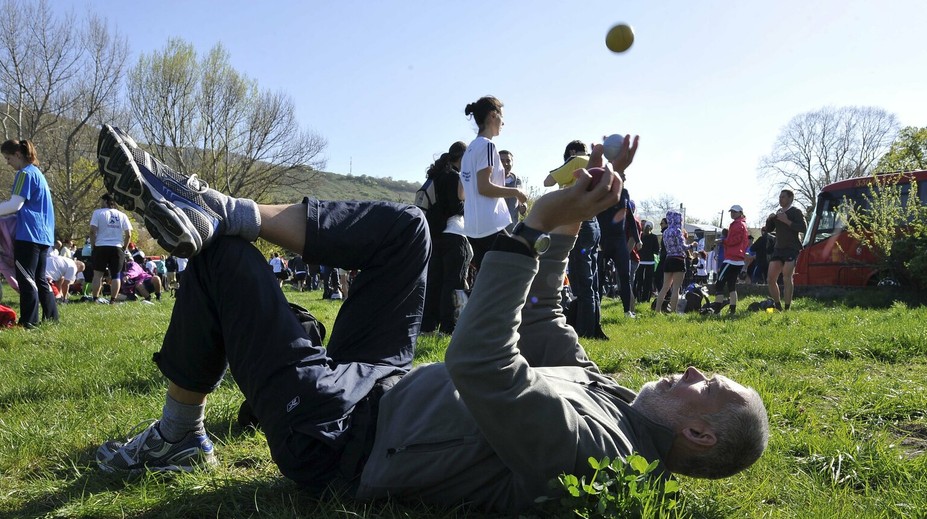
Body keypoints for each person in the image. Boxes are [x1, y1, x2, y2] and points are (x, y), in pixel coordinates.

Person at [94, 124, 768, 513]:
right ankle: (222, 204)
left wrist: (530, 224)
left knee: (226, 265)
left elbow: (481, 367)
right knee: (406, 233)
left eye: (712, 385)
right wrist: (576, 210)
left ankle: (177, 436)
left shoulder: (601, 456)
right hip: (384, 382)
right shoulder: (609, 399)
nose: (692, 368)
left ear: (701, 433)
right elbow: (541, 311)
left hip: (340, 435)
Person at [460, 96, 527, 270]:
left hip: (472, 228)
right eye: (502, 117)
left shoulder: (469, 151)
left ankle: (469, 297)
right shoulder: (488, 147)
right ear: (493, 115)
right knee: (517, 266)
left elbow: (461, 192)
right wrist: (516, 192)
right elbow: (484, 187)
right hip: (490, 225)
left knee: (488, 278)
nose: (503, 123)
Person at [547, 140, 605, 336]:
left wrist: (566, 172)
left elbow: (548, 181)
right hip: (594, 224)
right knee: (593, 281)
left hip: (578, 222)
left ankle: (584, 330)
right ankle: (595, 327)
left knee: (582, 281)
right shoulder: (599, 164)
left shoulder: (575, 159)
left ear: (571, 151)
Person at [0, 139, 58, 327]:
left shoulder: (24, 174)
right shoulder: (37, 173)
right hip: (44, 234)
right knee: (40, 279)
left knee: (26, 279)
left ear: (18, 155)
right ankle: (51, 318)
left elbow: (15, 205)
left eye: (8, 158)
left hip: (28, 234)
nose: (8, 163)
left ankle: (29, 322)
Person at [421, 141, 472, 334]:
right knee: (453, 283)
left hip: (434, 236)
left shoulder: (435, 176)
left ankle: (427, 326)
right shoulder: (456, 177)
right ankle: (448, 327)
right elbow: (456, 207)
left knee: (434, 283)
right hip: (455, 234)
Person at [764, 189, 808, 311]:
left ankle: (787, 308)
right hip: (778, 249)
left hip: (792, 248)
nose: (780, 199)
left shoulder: (796, 212)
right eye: (779, 197)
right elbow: (768, 229)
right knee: (771, 278)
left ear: (790, 198)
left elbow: (804, 228)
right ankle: (778, 306)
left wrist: (787, 221)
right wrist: (770, 219)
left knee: (787, 277)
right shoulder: (778, 213)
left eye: (783, 197)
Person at [90, 193, 132, 305]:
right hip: (117, 247)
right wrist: (124, 248)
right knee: (116, 275)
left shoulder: (98, 213)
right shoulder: (122, 215)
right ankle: (113, 300)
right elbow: (128, 234)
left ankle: (95, 299)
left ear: (105, 201)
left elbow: (92, 231)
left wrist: (93, 245)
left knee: (98, 274)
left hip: (101, 246)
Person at [712, 205, 749, 314]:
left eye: (735, 212)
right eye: (731, 212)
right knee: (731, 285)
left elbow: (735, 240)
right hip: (739, 259)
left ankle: (717, 311)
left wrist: (723, 241)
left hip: (732, 259)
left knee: (719, 284)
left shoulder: (738, 224)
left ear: (740, 213)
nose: (732, 213)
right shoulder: (743, 224)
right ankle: (732, 311)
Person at [654, 210, 687, 314]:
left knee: (665, 286)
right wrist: (692, 245)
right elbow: (683, 247)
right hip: (679, 259)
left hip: (668, 259)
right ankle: (673, 311)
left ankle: (657, 310)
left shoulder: (666, 232)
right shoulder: (677, 231)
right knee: (676, 287)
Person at [499, 149, 525, 232]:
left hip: (512, 227)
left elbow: (522, 200)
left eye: (508, 161)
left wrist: (523, 206)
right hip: (495, 227)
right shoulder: (491, 180)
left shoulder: (517, 180)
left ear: (512, 163)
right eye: (501, 161)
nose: (505, 164)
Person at [635, 220, 659, 302]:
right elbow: (656, 250)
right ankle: (646, 299)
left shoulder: (640, 236)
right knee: (648, 281)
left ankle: (638, 298)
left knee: (639, 280)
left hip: (640, 261)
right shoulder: (654, 237)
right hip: (650, 262)